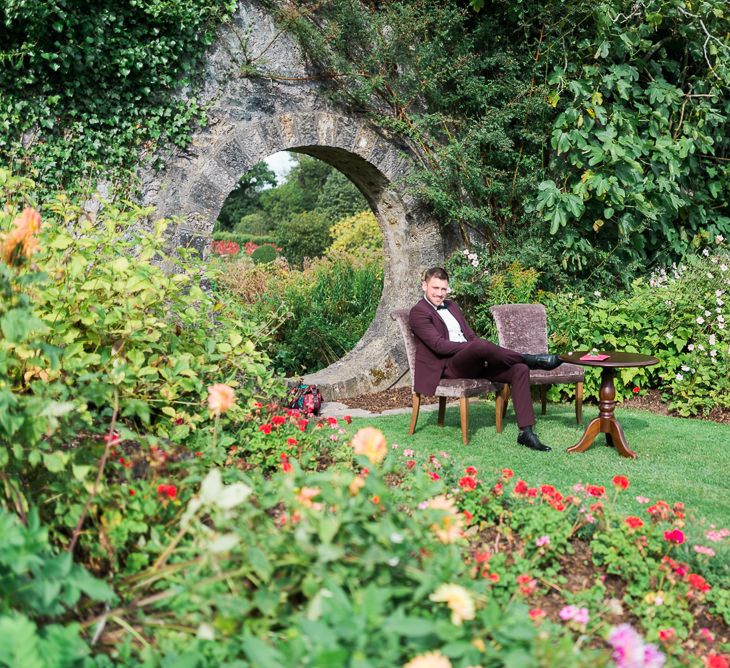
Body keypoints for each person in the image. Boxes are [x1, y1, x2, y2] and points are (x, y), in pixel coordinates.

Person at [409, 266, 562, 452]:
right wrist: (473, 348)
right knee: (481, 345)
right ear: (424, 286)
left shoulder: (452, 306)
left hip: (471, 360)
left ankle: (526, 433)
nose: (440, 294)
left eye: (444, 289)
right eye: (435, 288)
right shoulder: (418, 312)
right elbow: (439, 346)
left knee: (519, 369)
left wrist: (475, 348)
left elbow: (470, 335)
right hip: (448, 366)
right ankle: (531, 359)